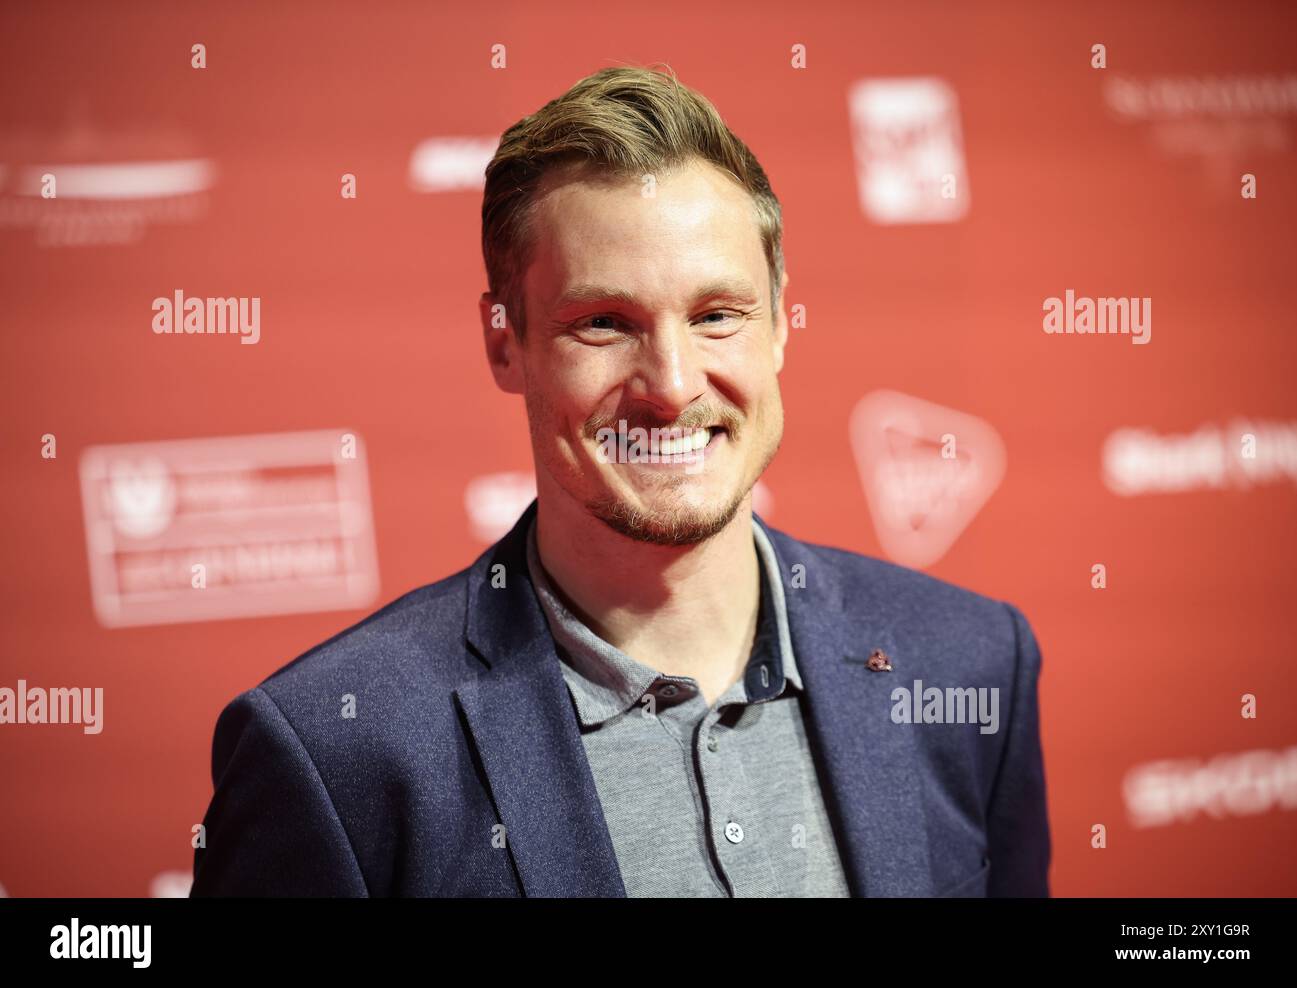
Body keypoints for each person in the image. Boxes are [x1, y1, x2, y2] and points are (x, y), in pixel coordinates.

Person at [191, 64, 1050, 898]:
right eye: (603, 323)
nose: (672, 384)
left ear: (781, 324)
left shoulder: (968, 662)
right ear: (505, 344)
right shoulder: (336, 751)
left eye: (717, 316)